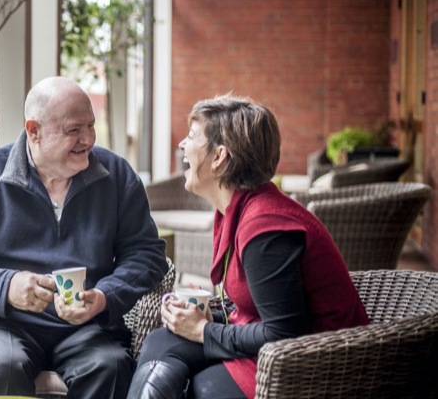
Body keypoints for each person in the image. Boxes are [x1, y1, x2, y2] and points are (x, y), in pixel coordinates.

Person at [0, 76, 167, 398]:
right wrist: (6, 286)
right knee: (3, 367)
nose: (88, 139)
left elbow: (147, 255)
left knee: (110, 366)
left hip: (87, 326)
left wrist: (105, 296)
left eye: (91, 126)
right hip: (3, 323)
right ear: (33, 131)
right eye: (73, 130)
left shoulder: (117, 176)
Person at [126, 95, 370, 399]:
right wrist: (201, 318)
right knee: (162, 342)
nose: (182, 146)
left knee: (203, 386)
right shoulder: (237, 210)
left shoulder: (265, 226)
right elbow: (256, 306)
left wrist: (202, 330)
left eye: (191, 136)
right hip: (268, 349)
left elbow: (284, 333)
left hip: (312, 366)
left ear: (219, 157)